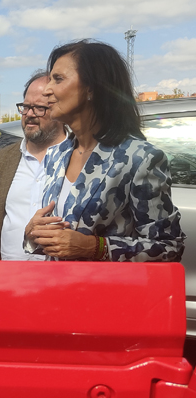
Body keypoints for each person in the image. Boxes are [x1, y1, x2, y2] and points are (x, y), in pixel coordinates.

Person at [25, 40, 185, 261]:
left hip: (107, 291)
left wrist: (96, 247)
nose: (48, 90)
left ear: (91, 87)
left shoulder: (139, 158)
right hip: (59, 287)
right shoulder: (56, 155)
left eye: (58, 79)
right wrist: (33, 232)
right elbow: (56, 241)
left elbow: (168, 247)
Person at [0, 71, 66, 260]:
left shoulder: (80, 159)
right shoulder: (0, 161)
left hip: (61, 280)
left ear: (61, 110)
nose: (29, 114)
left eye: (39, 108)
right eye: (25, 107)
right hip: (8, 279)